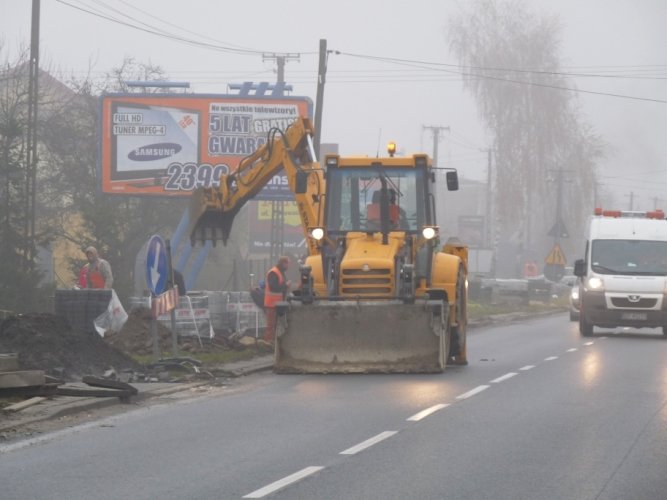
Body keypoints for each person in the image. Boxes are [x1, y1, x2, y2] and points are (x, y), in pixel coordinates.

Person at [263, 256, 291, 344]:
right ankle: (268, 343)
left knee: (275, 325)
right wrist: (285, 286)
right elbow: (273, 287)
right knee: (271, 325)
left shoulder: (280, 272)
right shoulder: (274, 272)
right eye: (288, 264)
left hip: (278, 304)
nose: (288, 266)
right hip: (272, 304)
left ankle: (273, 343)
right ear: (283, 263)